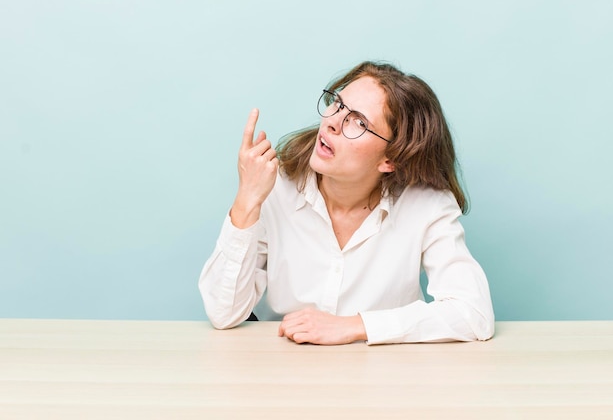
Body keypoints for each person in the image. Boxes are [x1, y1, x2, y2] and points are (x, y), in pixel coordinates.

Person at [199, 61, 495, 345]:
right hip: (286, 371)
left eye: (359, 122)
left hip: (383, 378)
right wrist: (247, 199)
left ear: (390, 159)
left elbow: (474, 314)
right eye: (338, 104)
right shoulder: (275, 187)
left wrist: (354, 327)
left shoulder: (426, 206)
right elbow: (223, 314)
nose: (332, 123)